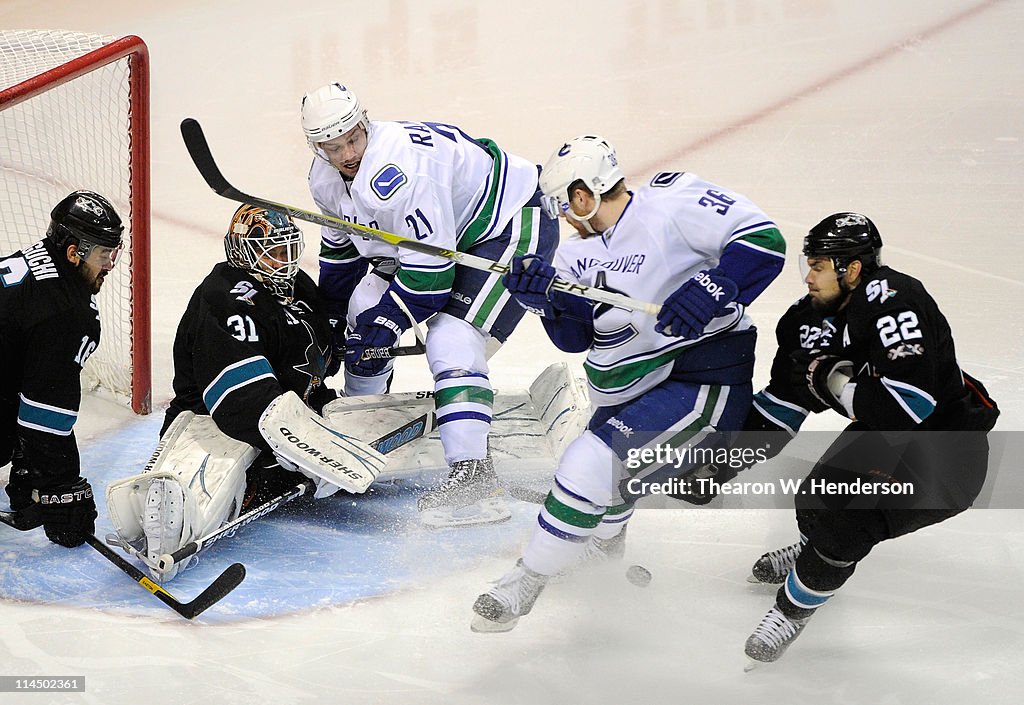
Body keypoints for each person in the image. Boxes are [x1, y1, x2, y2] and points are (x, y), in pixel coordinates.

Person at [470, 135, 787, 632]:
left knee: (587, 463)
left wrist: (712, 287)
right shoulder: (577, 260)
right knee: (608, 481)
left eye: (563, 206)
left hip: (702, 385)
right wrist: (541, 298)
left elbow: (764, 242)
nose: (565, 220)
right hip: (634, 387)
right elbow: (574, 339)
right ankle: (602, 561)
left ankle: (526, 581)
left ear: (582, 194)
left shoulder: (673, 199)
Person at [739, 212, 999, 663]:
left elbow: (910, 405)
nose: (809, 278)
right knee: (815, 501)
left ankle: (791, 612)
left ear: (852, 269)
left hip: (948, 454)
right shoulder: (810, 319)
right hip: (884, 435)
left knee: (846, 525)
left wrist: (835, 383)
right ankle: (812, 559)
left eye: (819, 266)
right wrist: (723, 455)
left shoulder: (896, 300)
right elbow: (786, 399)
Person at [300, 82, 558, 523]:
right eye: (332, 146)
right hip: (442, 236)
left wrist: (385, 327)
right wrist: (329, 319)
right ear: (316, 147)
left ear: (366, 123)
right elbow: (341, 256)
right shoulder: (323, 179)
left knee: (452, 336)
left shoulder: (398, 172)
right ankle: (363, 438)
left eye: (353, 139)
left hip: (506, 226)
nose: (346, 153)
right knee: (362, 307)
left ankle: (474, 474)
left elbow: (429, 280)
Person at [106, 204, 381, 580]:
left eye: (288, 249)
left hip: (293, 413)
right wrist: (293, 444)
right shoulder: (224, 299)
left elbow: (318, 360)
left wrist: (344, 345)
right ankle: (168, 521)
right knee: (231, 474)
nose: (284, 260)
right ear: (244, 251)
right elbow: (239, 394)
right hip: (215, 421)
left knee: (359, 445)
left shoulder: (298, 286)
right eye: (273, 251)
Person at [1, 190, 123, 546]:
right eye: (104, 254)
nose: (110, 265)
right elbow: (45, 413)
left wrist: (28, 461)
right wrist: (61, 488)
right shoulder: (67, 312)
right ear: (74, 253)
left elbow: (21, 368)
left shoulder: (36, 261)